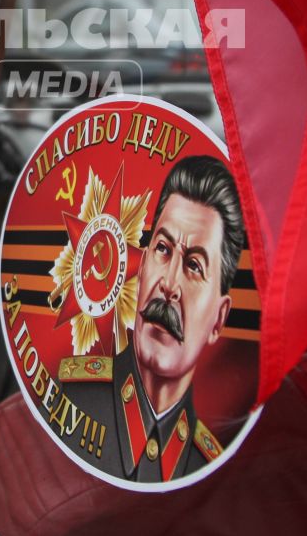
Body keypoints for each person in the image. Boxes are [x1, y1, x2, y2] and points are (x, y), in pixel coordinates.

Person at [57, 155, 247, 484]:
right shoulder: (69, 397)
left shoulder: (212, 472)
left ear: (219, 318)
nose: (169, 285)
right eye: (163, 249)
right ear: (142, 266)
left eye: (194, 266)